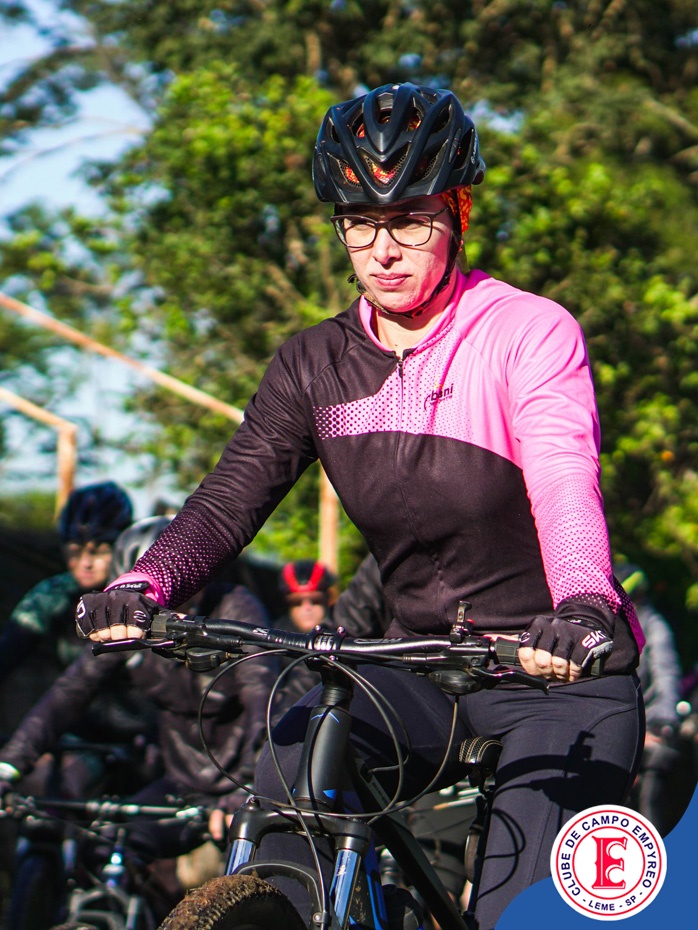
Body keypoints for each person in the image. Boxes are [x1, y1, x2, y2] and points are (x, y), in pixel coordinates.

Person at [73, 82, 644, 929]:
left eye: (410, 221)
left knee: (519, 910)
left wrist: (584, 603)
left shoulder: (527, 331)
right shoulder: (313, 364)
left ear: (458, 213)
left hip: (556, 672)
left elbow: (564, 479)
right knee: (296, 752)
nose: (383, 250)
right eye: (359, 223)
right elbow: (231, 496)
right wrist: (145, 584)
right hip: (419, 663)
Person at [0, 516, 277, 915]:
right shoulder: (134, 620)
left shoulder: (235, 604)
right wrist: (10, 764)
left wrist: (250, 785)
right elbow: (70, 691)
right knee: (107, 850)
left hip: (246, 778)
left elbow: (262, 698)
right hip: (182, 782)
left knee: (251, 890)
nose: (166, 605)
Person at [0, 481, 133, 686]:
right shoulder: (53, 595)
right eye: (75, 551)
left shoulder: (142, 594)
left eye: (99, 552)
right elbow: (8, 651)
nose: (86, 563)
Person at [616, 562, 684, 835]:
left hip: (649, 724)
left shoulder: (654, 625)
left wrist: (662, 723)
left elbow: (666, 675)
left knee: (651, 790)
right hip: (616, 723)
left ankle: (654, 845)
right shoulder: (606, 625)